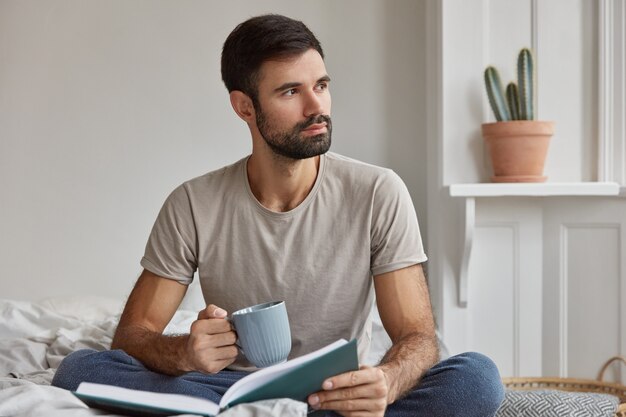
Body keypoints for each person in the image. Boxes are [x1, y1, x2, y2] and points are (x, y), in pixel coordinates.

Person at [52, 14, 504, 416]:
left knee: (477, 377)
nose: (317, 108)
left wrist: (385, 383)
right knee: (80, 368)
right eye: (291, 91)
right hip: (229, 387)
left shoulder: (378, 192)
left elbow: (418, 336)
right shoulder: (193, 203)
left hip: (336, 393)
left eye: (321, 86)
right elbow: (133, 335)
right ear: (244, 106)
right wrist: (184, 354)